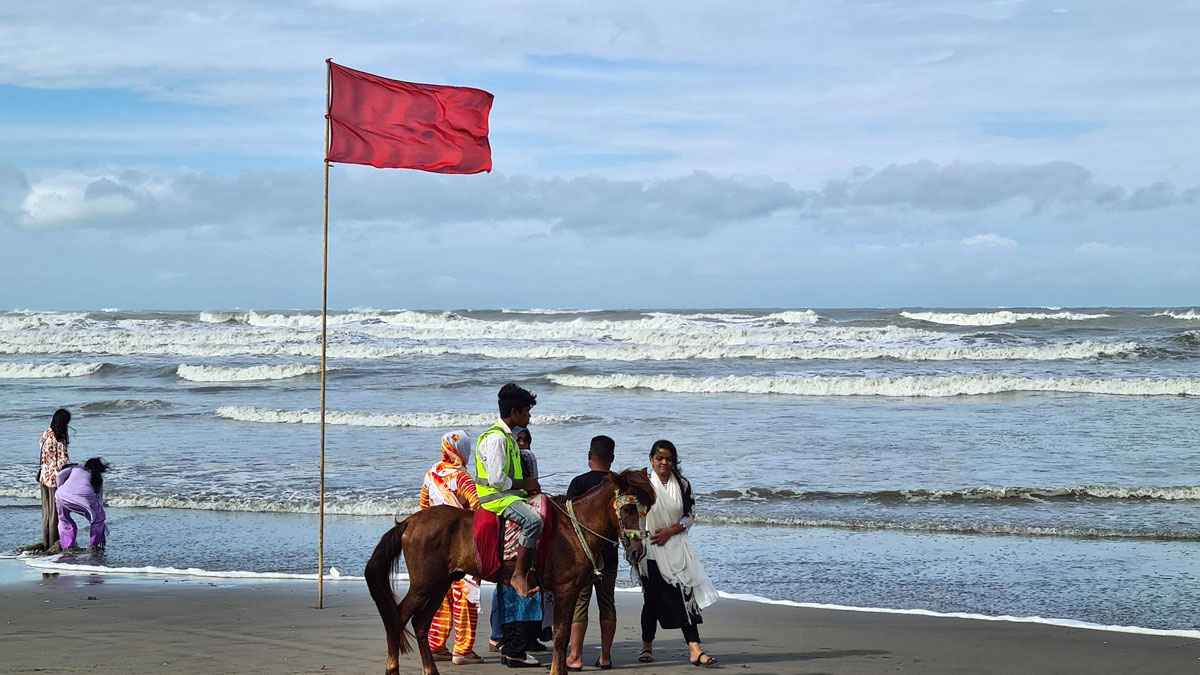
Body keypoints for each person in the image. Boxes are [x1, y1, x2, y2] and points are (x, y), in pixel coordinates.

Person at [637, 440, 719, 668]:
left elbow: (690, 515)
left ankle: (695, 649)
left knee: (685, 597)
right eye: (659, 458)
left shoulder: (682, 484)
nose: (664, 462)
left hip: (676, 547)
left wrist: (671, 531)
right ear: (651, 459)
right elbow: (633, 515)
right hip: (650, 550)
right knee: (651, 600)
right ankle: (647, 646)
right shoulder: (643, 484)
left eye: (668, 459)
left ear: (674, 461)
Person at [419, 431, 484, 666]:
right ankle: (463, 650)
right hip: (461, 545)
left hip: (435, 545)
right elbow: (477, 508)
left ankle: (436, 645)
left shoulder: (431, 473)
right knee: (466, 596)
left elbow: (423, 509)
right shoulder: (462, 477)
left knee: (440, 595)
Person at [474, 384, 542, 597]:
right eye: (526, 412)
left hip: (509, 494)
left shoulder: (509, 436)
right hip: (496, 497)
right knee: (533, 521)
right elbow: (497, 480)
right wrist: (525, 484)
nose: (529, 416)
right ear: (514, 412)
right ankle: (518, 575)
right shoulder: (497, 439)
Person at [565, 435, 619, 671]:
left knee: (580, 603)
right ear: (612, 458)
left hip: (582, 555)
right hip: (609, 552)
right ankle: (605, 657)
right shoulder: (617, 485)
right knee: (607, 603)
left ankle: (575, 656)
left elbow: (567, 521)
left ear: (589, 456)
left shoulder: (578, 483)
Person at [55, 457, 109, 552]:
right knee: (99, 519)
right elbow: (99, 499)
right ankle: (94, 545)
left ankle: (68, 546)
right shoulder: (98, 479)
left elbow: (59, 476)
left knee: (64, 519)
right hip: (84, 498)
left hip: (61, 496)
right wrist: (97, 517)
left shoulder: (76, 468)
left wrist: (61, 488)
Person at [37, 409, 72, 553]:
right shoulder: (59, 438)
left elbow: (44, 455)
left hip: (43, 476)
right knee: (55, 514)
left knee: (46, 513)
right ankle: (53, 546)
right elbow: (63, 462)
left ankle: (46, 543)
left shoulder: (45, 434)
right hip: (54, 479)